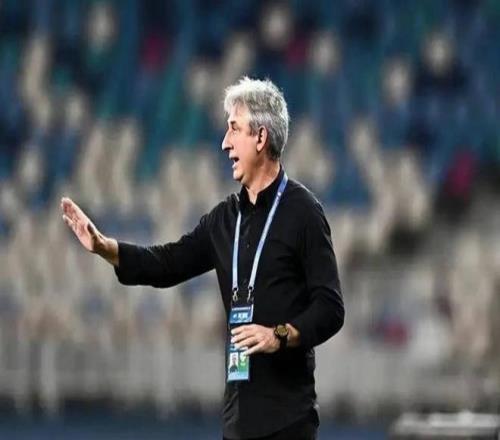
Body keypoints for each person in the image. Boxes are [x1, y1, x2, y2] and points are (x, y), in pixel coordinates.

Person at [61, 77, 344, 440]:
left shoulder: (303, 212)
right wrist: (105, 247)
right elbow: (168, 263)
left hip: (289, 421)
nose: (225, 143)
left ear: (260, 137)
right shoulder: (224, 219)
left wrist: (280, 334)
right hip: (237, 423)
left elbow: (330, 307)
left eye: (234, 129)